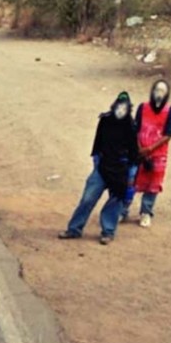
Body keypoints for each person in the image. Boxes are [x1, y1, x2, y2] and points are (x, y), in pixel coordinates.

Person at [59, 92, 139, 245]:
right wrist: (96, 161)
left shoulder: (130, 126)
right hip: (102, 167)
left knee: (115, 201)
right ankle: (74, 229)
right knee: (87, 199)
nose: (120, 110)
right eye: (119, 106)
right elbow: (97, 143)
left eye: (124, 107)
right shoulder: (105, 120)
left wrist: (130, 175)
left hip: (120, 170)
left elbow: (134, 153)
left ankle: (108, 231)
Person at [123, 80, 171, 227]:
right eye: (157, 90)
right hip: (138, 152)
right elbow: (135, 127)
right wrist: (139, 147)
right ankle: (122, 210)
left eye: (162, 91)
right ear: (152, 91)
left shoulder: (170, 112)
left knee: (153, 184)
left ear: (167, 94)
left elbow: (168, 134)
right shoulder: (143, 108)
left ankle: (146, 212)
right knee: (131, 180)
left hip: (157, 154)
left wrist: (150, 148)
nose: (159, 94)